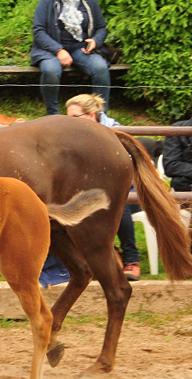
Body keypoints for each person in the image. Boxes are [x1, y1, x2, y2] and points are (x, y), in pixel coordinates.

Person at [66, 93, 141, 279]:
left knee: (118, 206)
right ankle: (93, 261)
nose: (70, 122)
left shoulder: (115, 130)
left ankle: (132, 260)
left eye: (75, 117)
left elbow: (129, 169)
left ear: (91, 115)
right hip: (92, 190)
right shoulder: (73, 135)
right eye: (68, 118)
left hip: (126, 189)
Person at [30, 0, 111, 116]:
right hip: (50, 50)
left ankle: (101, 116)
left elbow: (101, 28)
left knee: (100, 68)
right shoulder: (46, 2)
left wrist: (95, 41)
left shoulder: (90, 2)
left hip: (81, 48)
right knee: (50, 70)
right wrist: (58, 50)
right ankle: (53, 115)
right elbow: (38, 31)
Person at [162, 86, 192, 259]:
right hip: (186, 188)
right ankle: (190, 255)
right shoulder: (178, 129)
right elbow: (171, 166)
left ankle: (190, 256)